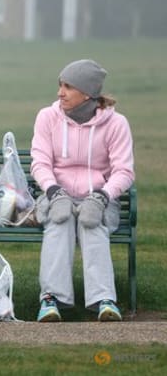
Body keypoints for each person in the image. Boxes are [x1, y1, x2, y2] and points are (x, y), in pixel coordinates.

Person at [31, 59, 135, 322]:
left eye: (68, 87)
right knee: (60, 222)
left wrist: (101, 197)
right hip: (57, 195)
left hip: (99, 198)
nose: (60, 93)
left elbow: (124, 171)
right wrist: (54, 191)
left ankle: (104, 300)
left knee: (92, 224)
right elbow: (40, 163)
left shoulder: (116, 123)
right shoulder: (47, 117)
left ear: (87, 93)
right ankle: (51, 300)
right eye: (60, 85)